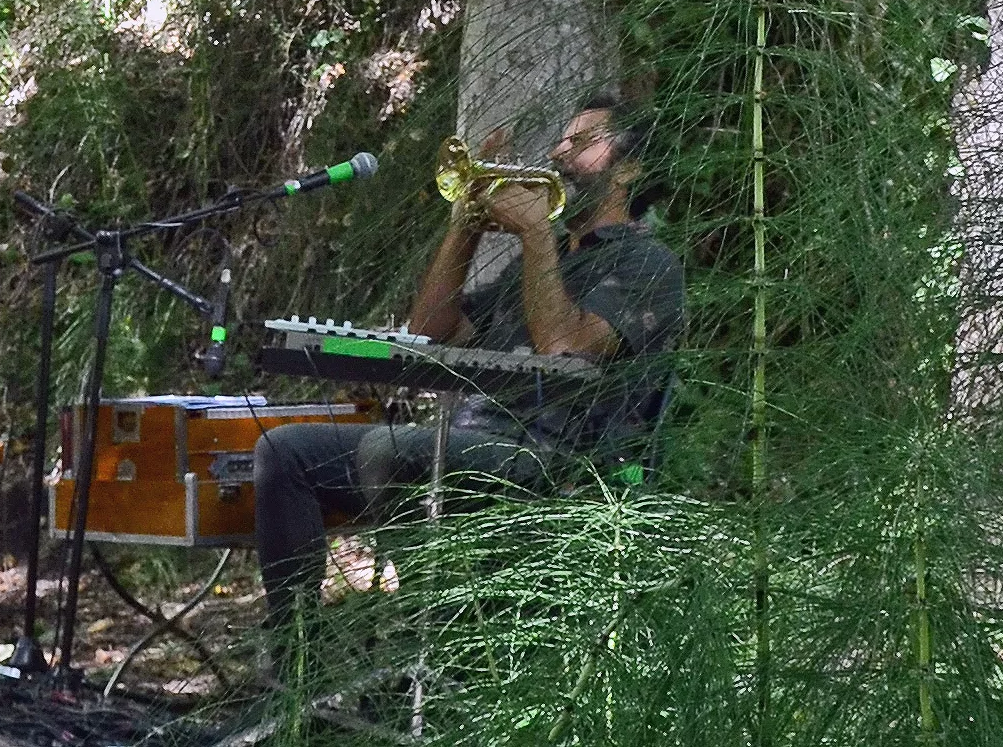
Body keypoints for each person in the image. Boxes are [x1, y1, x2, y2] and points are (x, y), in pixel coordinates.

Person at [253, 92, 685, 639]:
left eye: (581, 142)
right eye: (561, 138)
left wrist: (533, 235)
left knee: (394, 451)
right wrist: (466, 223)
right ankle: (296, 660)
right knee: (284, 452)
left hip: (560, 464)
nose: (558, 153)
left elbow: (562, 346)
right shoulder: (537, 265)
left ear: (631, 167)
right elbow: (431, 335)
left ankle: (425, 646)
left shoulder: (647, 262)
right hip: (468, 444)